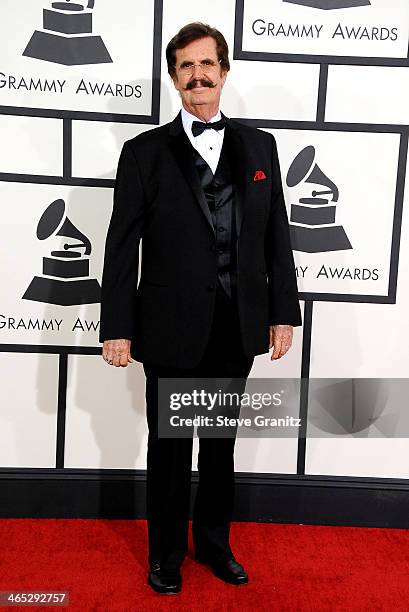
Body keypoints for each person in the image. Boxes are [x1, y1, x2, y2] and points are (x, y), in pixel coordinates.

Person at [99, 22, 302, 595]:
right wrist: (117, 326)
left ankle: (213, 544)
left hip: (236, 325)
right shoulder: (143, 153)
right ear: (174, 78)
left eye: (206, 64)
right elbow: (120, 247)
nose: (198, 75)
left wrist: (282, 312)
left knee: (219, 447)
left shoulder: (260, 146)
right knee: (170, 449)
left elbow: (276, 237)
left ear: (224, 71)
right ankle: (165, 554)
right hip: (169, 327)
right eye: (185, 67)